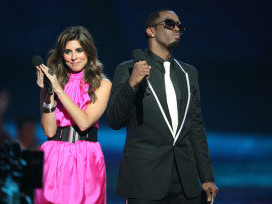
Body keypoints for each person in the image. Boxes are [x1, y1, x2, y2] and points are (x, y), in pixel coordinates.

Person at [107, 9, 218, 204]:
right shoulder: (128, 69)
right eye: (169, 24)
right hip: (145, 178)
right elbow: (115, 120)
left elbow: (196, 127)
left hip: (185, 181)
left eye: (179, 26)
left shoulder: (188, 73)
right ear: (151, 31)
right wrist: (131, 84)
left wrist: (207, 177)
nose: (177, 29)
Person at [34, 26, 111, 204]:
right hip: (53, 155)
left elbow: (84, 123)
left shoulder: (103, 83)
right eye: (68, 52)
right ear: (62, 55)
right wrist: (49, 93)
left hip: (86, 156)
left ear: (88, 52)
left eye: (79, 50)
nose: (74, 57)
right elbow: (49, 130)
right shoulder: (52, 83)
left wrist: (58, 89)